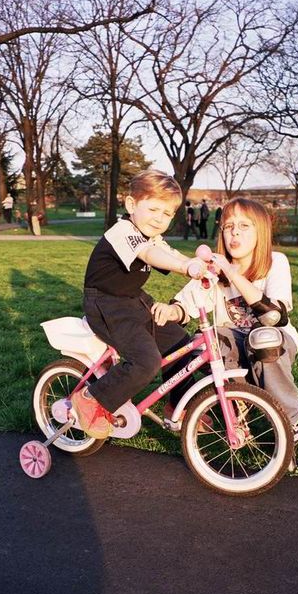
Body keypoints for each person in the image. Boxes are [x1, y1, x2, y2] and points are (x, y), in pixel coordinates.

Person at [153, 197, 298, 447]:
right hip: (233, 345)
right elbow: (185, 305)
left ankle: (289, 419)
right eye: (228, 226)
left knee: (263, 338)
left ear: (261, 231)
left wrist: (233, 273)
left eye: (244, 226)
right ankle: (238, 403)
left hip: (274, 343)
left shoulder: (275, 261)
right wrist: (171, 311)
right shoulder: (215, 269)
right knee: (203, 343)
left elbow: (274, 316)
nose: (234, 232)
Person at [71, 169, 206, 438]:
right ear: (132, 205)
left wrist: (198, 264)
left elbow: (167, 251)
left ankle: (177, 405)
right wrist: (185, 267)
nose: (159, 218)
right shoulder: (123, 231)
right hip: (105, 304)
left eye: (167, 214)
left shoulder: (150, 236)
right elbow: (150, 254)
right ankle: (90, 398)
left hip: (132, 300)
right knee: (146, 361)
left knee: (180, 343)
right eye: (153, 209)